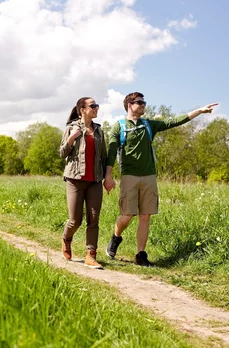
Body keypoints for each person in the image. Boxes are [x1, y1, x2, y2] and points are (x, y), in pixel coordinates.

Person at [103, 92, 218, 266]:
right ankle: (116, 237)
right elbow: (111, 152)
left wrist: (199, 111)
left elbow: (174, 121)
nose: (143, 105)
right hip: (129, 176)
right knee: (127, 215)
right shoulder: (118, 127)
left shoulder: (149, 125)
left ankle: (141, 255)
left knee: (145, 216)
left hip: (149, 176)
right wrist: (108, 175)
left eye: (144, 102)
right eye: (139, 102)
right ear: (129, 105)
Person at [59, 97, 108, 269]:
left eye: (97, 105)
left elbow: (104, 156)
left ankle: (91, 255)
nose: (96, 108)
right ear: (82, 109)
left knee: (94, 219)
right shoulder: (71, 128)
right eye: (93, 106)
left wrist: (108, 177)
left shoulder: (99, 131)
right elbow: (62, 153)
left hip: (94, 180)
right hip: (75, 179)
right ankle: (66, 238)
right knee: (75, 220)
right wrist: (71, 138)